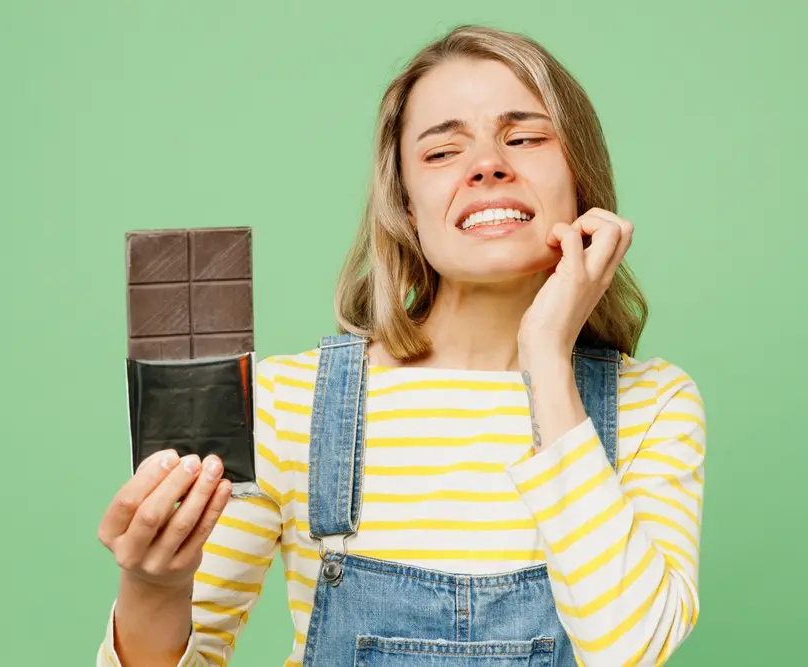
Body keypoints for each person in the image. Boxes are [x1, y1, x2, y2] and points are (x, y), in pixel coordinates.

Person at [95, 24, 706, 667]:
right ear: (406, 205)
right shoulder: (287, 404)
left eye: (524, 138)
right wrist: (152, 586)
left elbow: (631, 650)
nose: (488, 164)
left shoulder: (654, 406)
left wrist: (548, 358)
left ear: (581, 179)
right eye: (442, 153)